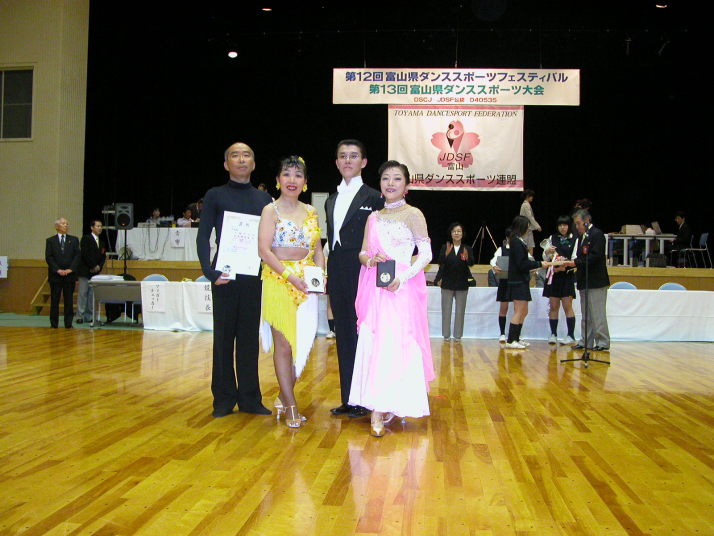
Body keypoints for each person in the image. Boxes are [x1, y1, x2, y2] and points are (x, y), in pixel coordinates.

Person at [349, 160, 434, 437]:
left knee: (398, 346)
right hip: (376, 290)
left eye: (397, 178)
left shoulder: (414, 214)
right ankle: (377, 407)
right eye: (386, 178)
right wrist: (370, 260)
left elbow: (426, 254)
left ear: (406, 185)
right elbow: (363, 252)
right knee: (377, 345)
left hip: (401, 290)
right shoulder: (373, 217)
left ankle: (393, 402)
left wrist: (403, 277)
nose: (391, 183)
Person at [197, 142, 273, 417]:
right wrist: (209, 271)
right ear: (226, 164)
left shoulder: (265, 200)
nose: (241, 159)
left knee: (249, 339)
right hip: (224, 278)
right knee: (223, 338)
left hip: (254, 277)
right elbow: (203, 235)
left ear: (253, 163)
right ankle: (223, 399)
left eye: (246, 155)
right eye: (235, 155)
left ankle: (250, 399)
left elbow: (270, 240)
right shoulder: (215, 195)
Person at [258, 156, 325, 429]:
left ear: (305, 182)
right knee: (284, 345)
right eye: (287, 174)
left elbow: (318, 250)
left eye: (298, 175)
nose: (292, 180)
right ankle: (291, 405)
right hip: (278, 280)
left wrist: (320, 277)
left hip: (306, 284)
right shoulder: (270, 210)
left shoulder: (311, 211)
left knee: (302, 344)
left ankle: (283, 396)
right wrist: (290, 277)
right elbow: (264, 251)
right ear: (278, 180)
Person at [325, 139, 383, 418]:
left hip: (364, 273)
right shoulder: (331, 199)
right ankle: (349, 398)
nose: (348, 160)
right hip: (337, 272)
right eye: (343, 156)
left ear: (364, 162)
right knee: (344, 334)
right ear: (337, 162)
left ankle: (368, 400)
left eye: (353, 156)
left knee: (365, 335)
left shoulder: (374, 197)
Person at [504, 215, 553, 349]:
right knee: (519, 310)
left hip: (522, 280)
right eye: (527, 227)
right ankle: (511, 340)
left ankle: (517, 337)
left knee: (524, 310)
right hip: (517, 282)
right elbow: (522, 264)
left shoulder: (519, 241)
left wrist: (535, 265)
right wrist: (539, 264)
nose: (528, 229)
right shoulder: (516, 241)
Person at [565, 209, 611, 352]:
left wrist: (575, 263)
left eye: (578, 223)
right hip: (584, 280)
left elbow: (595, 257)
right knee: (586, 315)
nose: (577, 226)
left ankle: (603, 342)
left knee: (597, 314)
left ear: (587, 221)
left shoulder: (597, 235)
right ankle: (586, 341)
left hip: (596, 281)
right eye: (575, 224)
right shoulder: (582, 237)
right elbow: (580, 257)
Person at [434, 222, 475, 341]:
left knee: (460, 311)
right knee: (446, 311)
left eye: (459, 231)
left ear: (462, 234)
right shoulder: (445, 247)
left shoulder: (467, 248)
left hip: (462, 284)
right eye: (454, 231)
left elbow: (471, 263)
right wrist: (446, 255)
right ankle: (446, 335)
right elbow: (440, 262)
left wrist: (467, 258)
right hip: (447, 283)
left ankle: (458, 336)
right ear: (451, 234)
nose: (456, 233)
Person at [542, 216, 577, 345]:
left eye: (565, 225)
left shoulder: (574, 239)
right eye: (560, 225)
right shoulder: (552, 238)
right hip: (554, 276)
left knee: (568, 306)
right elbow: (545, 257)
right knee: (553, 306)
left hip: (567, 276)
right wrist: (547, 251)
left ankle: (571, 335)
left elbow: (575, 258)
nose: (563, 228)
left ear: (569, 226)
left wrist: (564, 265)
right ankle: (553, 334)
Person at [45, 217, 80, 329]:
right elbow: (49, 257)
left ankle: (68, 323)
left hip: (70, 275)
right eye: (63, 223)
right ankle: (54, 323)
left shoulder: (74, 240)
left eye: (67, 224)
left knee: (68, 300)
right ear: (57, 226)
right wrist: (57, 270)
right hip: (56, 275)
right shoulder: (50, 241)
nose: (66, 225)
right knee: (55, 299)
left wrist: (71, 269)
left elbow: (77, 256)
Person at [76, 219, 106, 324]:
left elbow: (103, 257)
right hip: (85, 270)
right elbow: (85, 254)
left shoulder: (102, 242)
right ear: (92, 227)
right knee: (83, 293)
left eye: (101, 226)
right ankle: (80, 315)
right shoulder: (86, 238)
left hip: (95, 273)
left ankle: (89, 316)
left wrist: (98, 267)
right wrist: (93, 265)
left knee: (91, 295)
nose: (100, 228)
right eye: (98, 226)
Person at [490, 227, 512, 342]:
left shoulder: (522, 249)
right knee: (503, 308)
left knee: (519, 309)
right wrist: (495, 266)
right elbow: (493, 261)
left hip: (517, 282)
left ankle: (515, 335)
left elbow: (530, 259)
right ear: (507, 238)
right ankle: (502, 333)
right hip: (505, 282)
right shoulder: (501, 249)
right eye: (510, 237)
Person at [519, 189, 541, 255]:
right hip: (525, 228)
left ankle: (530, 259)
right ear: (528, 196)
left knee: (530, 246)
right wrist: (537, 226)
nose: (532, 198)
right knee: (527, 246)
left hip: (528, 228)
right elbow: (530, 217)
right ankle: (526, 259)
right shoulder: (525, 205)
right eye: (531, 196)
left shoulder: (526, 204)